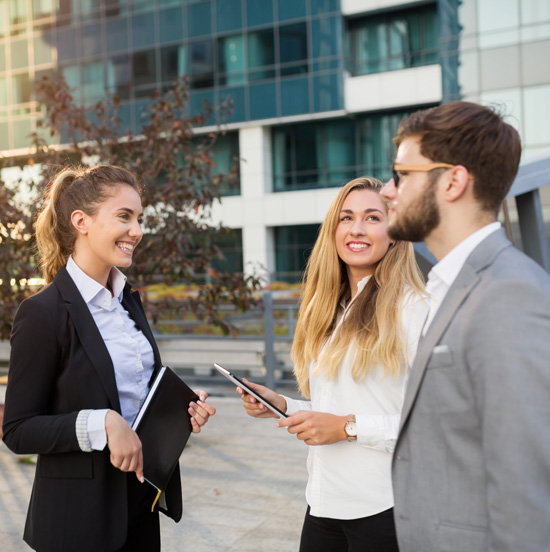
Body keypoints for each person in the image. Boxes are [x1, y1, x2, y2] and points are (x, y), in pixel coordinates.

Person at [2, 165, 216, 552]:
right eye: (124, 216)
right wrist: (101, 424)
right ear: (81, 221)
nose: (137, 230)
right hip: (77, 523)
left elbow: (132, 393)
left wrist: (178, 407)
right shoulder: (42, 312)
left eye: (139, 218)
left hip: (140, 505)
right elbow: (17, 430)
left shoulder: (128, 301)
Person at [380, 101, 550, 551]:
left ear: (453, 181)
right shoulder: (451, 284)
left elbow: (527, 491)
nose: (386, 190)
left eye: (401, 175)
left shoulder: (508, 294)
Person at [237, 177, 429, 551]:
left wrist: (347, 428)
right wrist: (283, 405)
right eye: (346, 218)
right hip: (323, 505)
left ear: (394, 233)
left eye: (373, 217)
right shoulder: (329, 308)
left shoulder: (413, 308)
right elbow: (336, 409)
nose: (356, 229)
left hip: (384, 510)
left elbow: (428, 427)